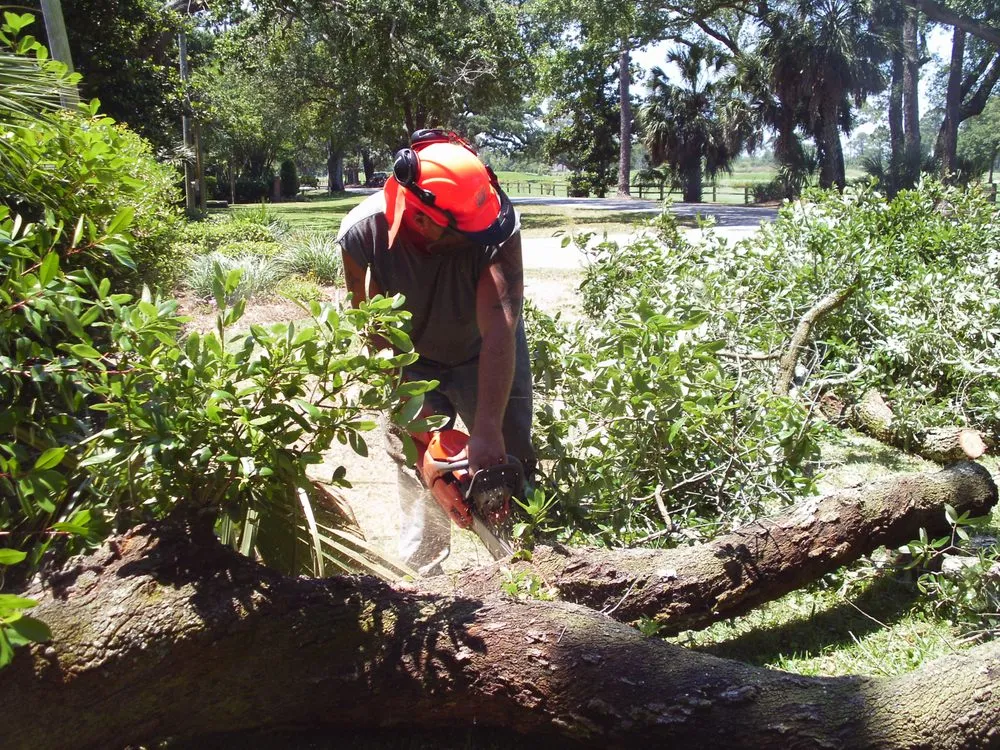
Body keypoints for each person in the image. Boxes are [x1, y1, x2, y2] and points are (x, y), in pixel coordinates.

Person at [336, 129, 535, 575]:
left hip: (487, 347)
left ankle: (528, 553)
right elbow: (376, 333)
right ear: (421, 215)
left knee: (509, 448)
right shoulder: (362, 234)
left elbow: (502, 318)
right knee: (411, 460)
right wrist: (423, 436)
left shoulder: (495, 221)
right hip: (410, 358)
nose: (474, 238)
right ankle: (423, 568)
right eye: (462, 234)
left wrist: (486, 429)